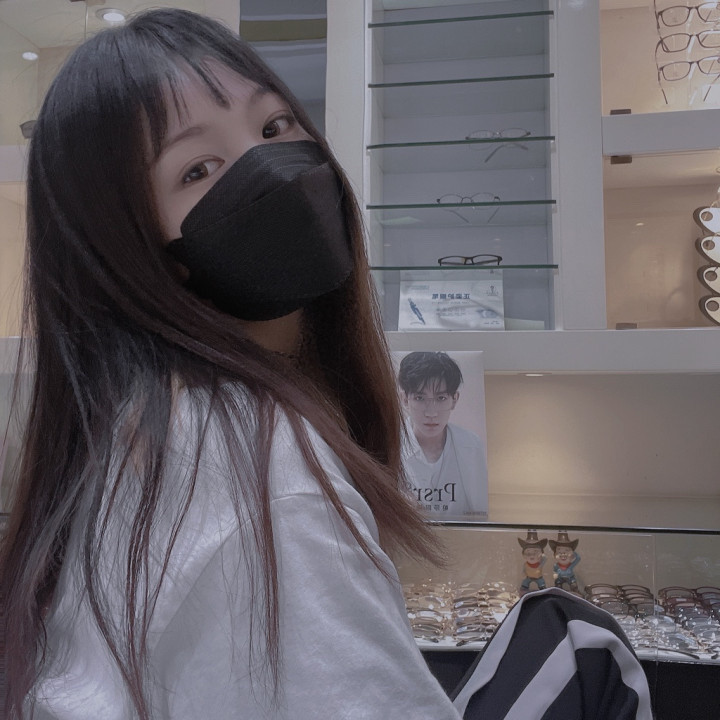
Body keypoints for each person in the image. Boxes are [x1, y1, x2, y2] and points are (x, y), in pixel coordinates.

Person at [0, 10, 460, 719]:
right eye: (198, 169)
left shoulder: (148, 425)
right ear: (129, 252)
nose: (269, 170)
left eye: (275, 126)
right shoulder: (260, 464)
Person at [397, 351, 488, 518]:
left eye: (441, 398)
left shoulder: (471, 445)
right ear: (405, 399)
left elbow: (480, 516)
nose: (431, 413)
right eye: (419, 398)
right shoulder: (390, 446)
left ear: (454, 399)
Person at [517, 530, 547, 594]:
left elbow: (544, 559)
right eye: (528, 553)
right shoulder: (526, 564)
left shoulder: (540, 564)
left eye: (535, 552)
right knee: (524, 584)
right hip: (528, 577)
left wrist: (543, 556)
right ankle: (524, 591)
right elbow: (524, 570)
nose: (532, 555)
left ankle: (543, 591)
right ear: (524, 555)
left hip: (538, 578)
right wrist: (523, 574)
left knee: (542, 585)